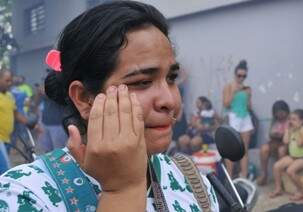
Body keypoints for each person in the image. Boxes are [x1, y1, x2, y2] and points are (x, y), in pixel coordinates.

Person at [0, 2, 219, 211]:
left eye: (171, 78)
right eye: (142, 82)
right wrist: (122, 192)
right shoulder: (23, 196)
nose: (170, 101)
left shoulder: (192, 182)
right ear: (85, 98)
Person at [269, 109, 303, 201]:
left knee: (290, 171)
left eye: (294, 119)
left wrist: (298, 129)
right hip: (292, 157)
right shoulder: (291, 129)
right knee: (276, 166)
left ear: (302, 121)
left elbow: (300, 144)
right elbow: (285, 141)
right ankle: (278, 188)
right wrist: (288, 130)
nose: (291, 121)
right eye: (290, 119)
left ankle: (301, 192)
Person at [223, 60, 253, 178]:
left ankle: (244, 177)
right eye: (239, 75)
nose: (241, 78)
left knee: (244, 149)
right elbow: (226, 104)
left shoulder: (247, 88)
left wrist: (248, 95)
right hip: (233, 117)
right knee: (231, 149)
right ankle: (230, 177)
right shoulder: (229, 86)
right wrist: (235, 92)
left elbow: (249, 106)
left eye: (244, 76)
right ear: (235, 74)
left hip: (245, 117)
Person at [0, 69, 29, 174]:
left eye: (10, 80)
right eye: (7, 80)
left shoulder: (9, 95)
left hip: (6, 139)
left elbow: (15, 113)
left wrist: (31, 123)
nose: (10, 83)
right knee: (5, 170)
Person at [256, 100, 290, 185]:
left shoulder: (290, 120)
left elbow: (289, 136)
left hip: (286, 143)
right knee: (264, 149)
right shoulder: (274, 121)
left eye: (282, 113)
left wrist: (281, 134)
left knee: (281, 150)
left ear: (286, 111)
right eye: (277, 113)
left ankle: (282, 179)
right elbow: (270, 134)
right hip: (275, 142)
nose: (280, 115)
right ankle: (264, 174)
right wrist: (274, 134)